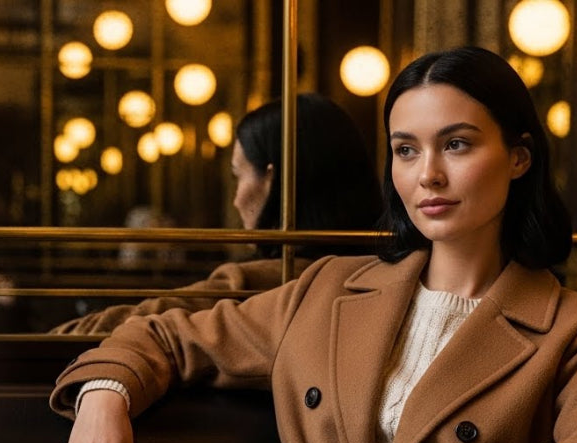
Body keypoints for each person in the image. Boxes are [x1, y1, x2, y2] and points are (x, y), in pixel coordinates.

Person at [48, 46, 577, 443]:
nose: (429, 175)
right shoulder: (329, 292)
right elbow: (166, 337)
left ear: (519, 157)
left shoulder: (576, 327)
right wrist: (106, 394)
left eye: (458, 145)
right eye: (406, 151)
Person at [49, 92, 383, 335]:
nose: (236, 200)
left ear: (272, 180)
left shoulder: (263, 282)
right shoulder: (389, 274)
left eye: (238, 176)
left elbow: (133, 325)